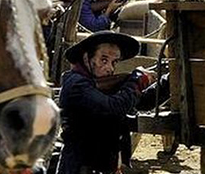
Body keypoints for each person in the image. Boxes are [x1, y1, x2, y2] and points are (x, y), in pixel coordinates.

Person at [58, 31, 155, 174]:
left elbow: (142, 102)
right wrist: (137, 80)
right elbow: (114, 107)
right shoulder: (76, 84)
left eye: (114, 62)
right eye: (104, 60)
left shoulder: (98, 85)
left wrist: (167, 81)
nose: (110, 68)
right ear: (86, 58)